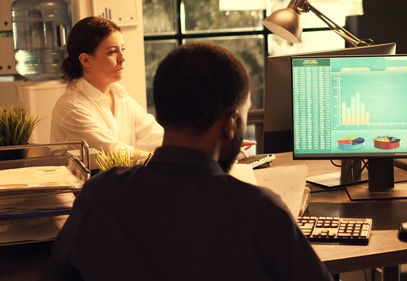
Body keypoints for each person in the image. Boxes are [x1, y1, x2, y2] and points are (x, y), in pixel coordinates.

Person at [52, 42, 333, 281]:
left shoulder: (99, 195)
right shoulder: (261, 212)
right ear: (231, 123)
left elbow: (62, 270)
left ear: (160, 116)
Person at [51, 17, 255, 158]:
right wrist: (191, 157)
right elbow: (116, 153)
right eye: (112, 52)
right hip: (90, 204)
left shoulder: (118, 94)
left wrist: (213, 141)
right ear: (86, 60)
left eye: (122, 49)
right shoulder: (72, 107)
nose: (123, 58)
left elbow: (155, 135)